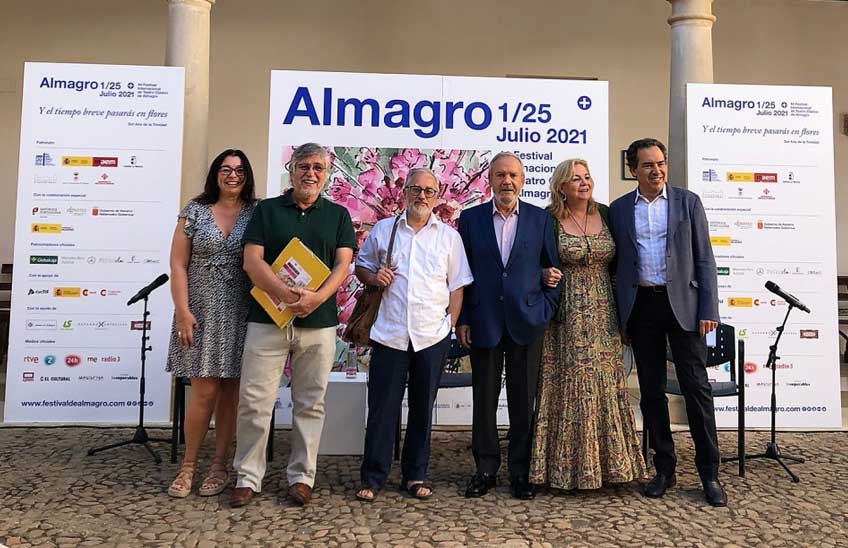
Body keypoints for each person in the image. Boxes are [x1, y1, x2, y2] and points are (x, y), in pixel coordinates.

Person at [229, 143, 357, 508]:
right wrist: (285, 294)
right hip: (267, 321)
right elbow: (252, 261)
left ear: (326, 174)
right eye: (304, 166)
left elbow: (343, 265)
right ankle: (247, 477)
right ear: (292, 170)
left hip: (318, 324)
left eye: (318, 167)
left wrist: (317, 298)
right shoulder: (266, 211)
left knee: (310, 403)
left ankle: (302, 477)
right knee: (254, 402)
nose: (310, 173)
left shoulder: (338, 215)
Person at [607, 138, 725, 507]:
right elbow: (615, 265)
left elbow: (704, 258)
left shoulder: (688, 202)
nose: (656, 170)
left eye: (660, 163)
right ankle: (664, 469)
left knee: (696, 389)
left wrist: (709, 309)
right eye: (647, 165)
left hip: (684, 307)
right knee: (652, 392)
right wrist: (621, 316)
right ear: (633, 170)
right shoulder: (619, 209)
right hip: (643, 308)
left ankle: (709, 474)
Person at [353, 168, 473, 502]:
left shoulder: (448, 237)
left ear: (437, 196)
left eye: (429, 191)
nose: (422, 196)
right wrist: (374, 276)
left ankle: (415, 475)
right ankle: (373, 477)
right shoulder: (383, 229)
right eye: (415, 189)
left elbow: (457, 285)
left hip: (431, 336)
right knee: (382, 409)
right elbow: (362, 267)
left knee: (423, 409)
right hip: (390, 333)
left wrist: (449, 326)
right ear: (404, 192)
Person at [529, 159, 646, 490]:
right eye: (575, 178)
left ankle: (611, 468)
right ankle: (563, 470)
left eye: (587, 177)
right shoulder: (548, 220)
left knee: (605, 386)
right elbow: (531, 261)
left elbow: (623, 263)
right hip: (565, 316)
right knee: (570, 388)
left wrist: (628, 314)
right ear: (561, 187)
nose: (584, 183)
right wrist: (542, 274)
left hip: (604, 313)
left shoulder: (607, 214)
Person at [457, 152, 560, 500]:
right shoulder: (470, 219)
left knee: (522, 401)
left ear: (523, 180)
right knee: (484, 400)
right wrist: (464, 318)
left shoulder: (539, 220)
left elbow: (552, 269)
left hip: (526, 322)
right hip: (483, 321)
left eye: (513, 175)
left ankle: (520, 471)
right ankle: (485, 469)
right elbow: (462, 274)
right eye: (500, 175)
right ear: (489, 179)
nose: (507, 181)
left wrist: (545, 310)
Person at [165, 149, 257, 498]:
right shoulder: (194, 210)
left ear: (247, 176)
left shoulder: (256, 212)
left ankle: (219, 465)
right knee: (203, 392)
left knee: (230, 393)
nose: (232, 175)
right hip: (200, 311)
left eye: (239, 170)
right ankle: (188, 465)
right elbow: (178, 265)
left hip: (241, 310)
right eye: (226, 169)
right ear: (215, 174)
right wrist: (182, 311)